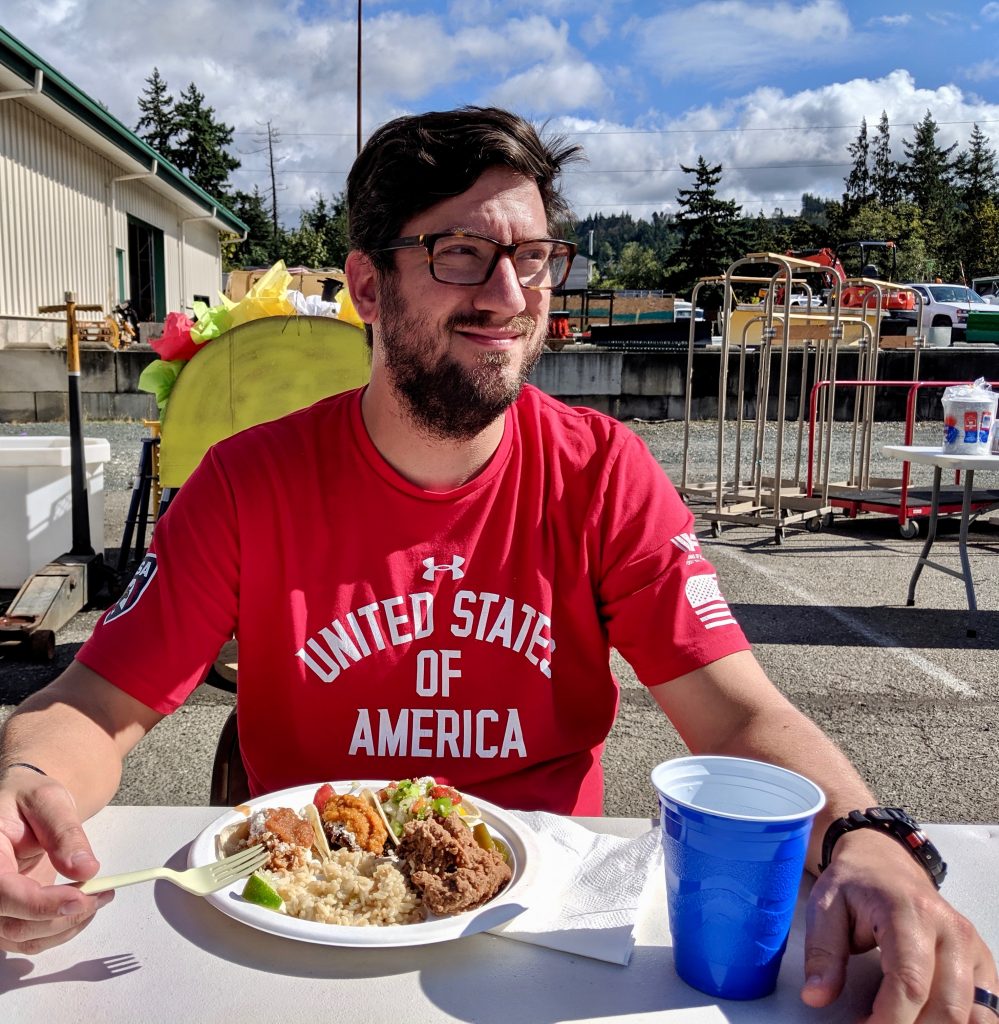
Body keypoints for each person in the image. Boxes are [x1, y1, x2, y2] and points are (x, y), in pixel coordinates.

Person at [1, 106, 996, 1019]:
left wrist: (870, 835)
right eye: (462, 254)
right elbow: (96, 702)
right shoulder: (245, 483)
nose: (510, 295)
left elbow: (736, 709)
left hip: (543, 949)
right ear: (365, 286)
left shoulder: (604, 474)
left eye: (532, 257)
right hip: (308, 938)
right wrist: (22, 779)